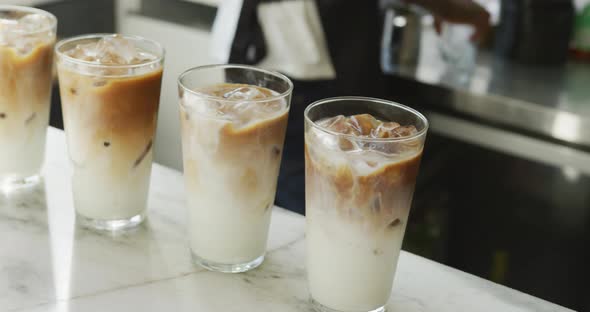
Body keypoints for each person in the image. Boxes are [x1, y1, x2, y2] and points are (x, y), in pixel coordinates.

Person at [213, 0, 490, 214]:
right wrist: (457, 9)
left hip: (267, 64)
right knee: (320, 210)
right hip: (305, 74)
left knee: (257, 201)